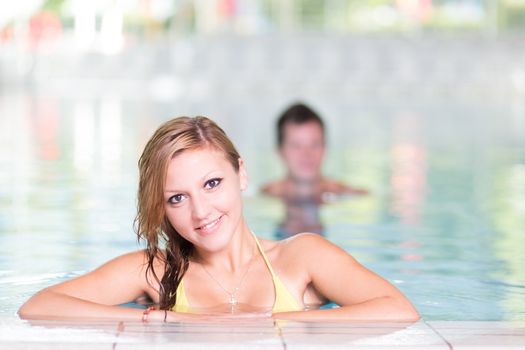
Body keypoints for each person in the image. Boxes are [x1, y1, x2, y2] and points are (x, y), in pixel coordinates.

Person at [18, 116, 419, 322]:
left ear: (241, 174)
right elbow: (39, 307)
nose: (201, 211)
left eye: (212, 183)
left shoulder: (301, 258)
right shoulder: (156, 270)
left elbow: (399, 309)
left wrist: (290, 324)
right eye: (177, 197)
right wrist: (151, 322)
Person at [261, 102, 368, 237]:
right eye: (296, 146)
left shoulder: (351, 195)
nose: (307, 154)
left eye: (315, 144)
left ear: (325, 148)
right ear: (280, 151)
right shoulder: (265, 196)